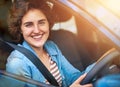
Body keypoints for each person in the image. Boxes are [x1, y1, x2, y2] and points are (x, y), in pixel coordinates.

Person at [6, 0, 93, 87]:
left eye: (41, 22)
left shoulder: (51, 47)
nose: (36, 30)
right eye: (29, 25)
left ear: (48, 23)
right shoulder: (17, 64)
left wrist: (101, 64)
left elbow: (74, 78)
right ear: (20, 29)